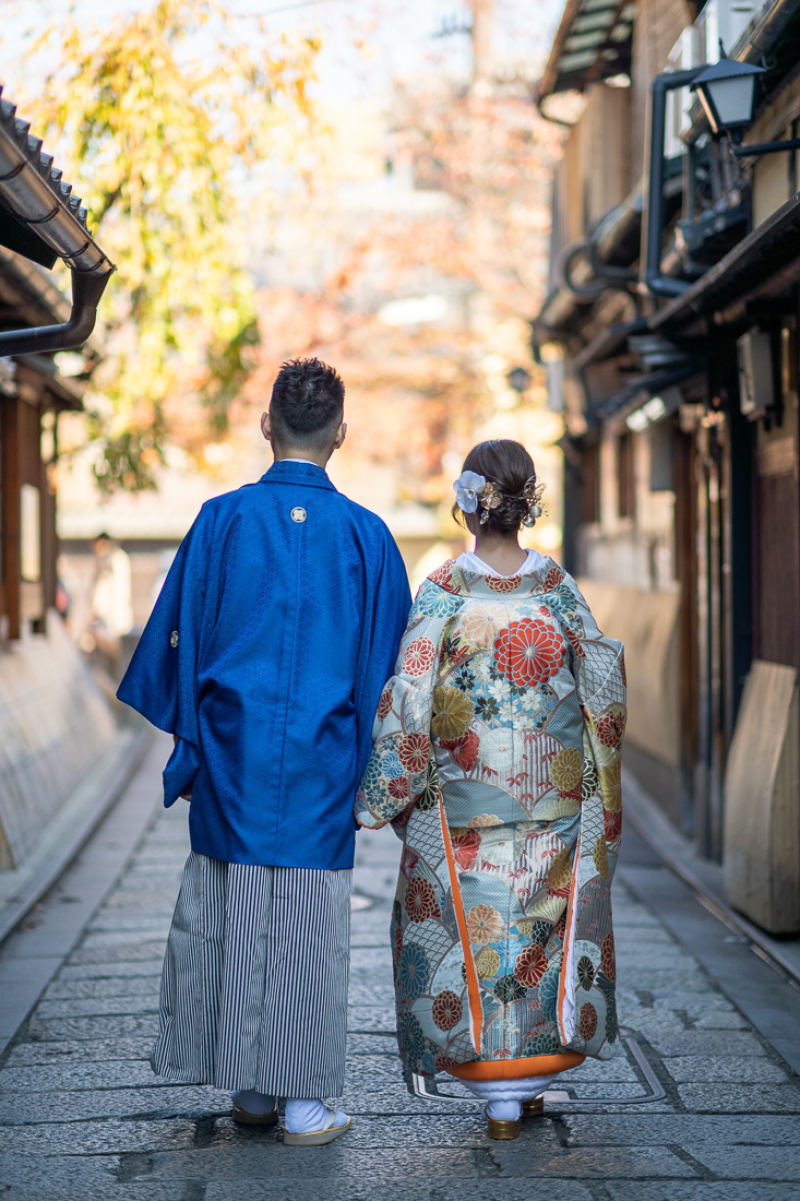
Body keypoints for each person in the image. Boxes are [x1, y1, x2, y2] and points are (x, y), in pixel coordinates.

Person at [117, 357, 411, 1145]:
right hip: (324, 758)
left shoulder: (220, 521)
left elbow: (173, 644)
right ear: (340, 433)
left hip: (232, 754)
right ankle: (305, 1101)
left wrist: (194, 737)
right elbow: (390, 674)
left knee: (233, 915)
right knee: (311, 924)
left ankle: (249, 1089)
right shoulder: (370, 538)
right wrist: (380, 773)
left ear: (265, 423)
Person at [355, 439, 626, 1140]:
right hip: (554, 807)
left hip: (464, 808)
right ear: (525, 504)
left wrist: (389, 787)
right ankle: (530, 1078)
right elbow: (601, 687)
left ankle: (497, 1090)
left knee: (476, 938)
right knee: (539, 932)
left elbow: (410, 698)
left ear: (469, 505)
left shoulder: (444, 591)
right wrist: (595, 772)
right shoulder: (557, 587)